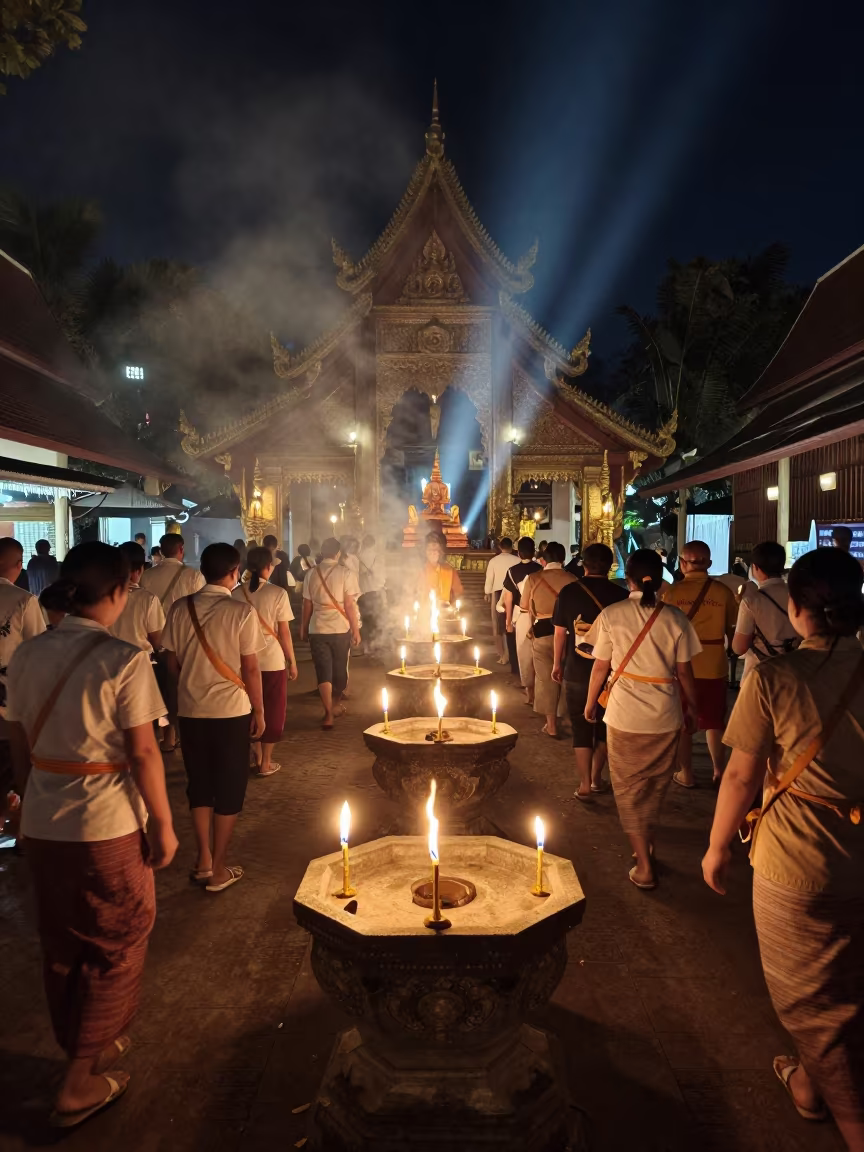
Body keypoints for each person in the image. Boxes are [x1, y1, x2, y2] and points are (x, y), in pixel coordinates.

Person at [6, 541, 176, 1126]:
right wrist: (164, 824)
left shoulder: (28, 655)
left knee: (62, 940)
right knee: (117, 939)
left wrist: (26, 805)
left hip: (43, 821)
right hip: (104, 823)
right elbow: (144, 753)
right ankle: (78, 1082)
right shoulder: (123, 659)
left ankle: (87, 1045)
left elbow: (19, 744)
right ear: (120, 591)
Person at [703, 547, 864, 1147]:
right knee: (848, 983)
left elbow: (741, 777)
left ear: (796, 610)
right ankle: (808, 1081)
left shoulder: (776, 678)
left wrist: (717, 846)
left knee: (811, 1003)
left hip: (800, 857)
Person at [584, 549, 700, 889]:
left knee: (627, 788)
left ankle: (645, 865)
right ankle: (645, 845)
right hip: (665, 715)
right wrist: (693, 708)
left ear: (628, 579)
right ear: (661, 580)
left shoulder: (612, 614)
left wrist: (590, 704)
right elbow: (685, 673)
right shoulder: (676, 618)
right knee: (654, 786)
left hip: (624, 715)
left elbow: (600, 666)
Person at [161, 542, 265, 893]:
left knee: (200, 784)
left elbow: (171, 662)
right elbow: (251, 669)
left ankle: (203, 858)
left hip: (191, 712)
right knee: (230, 787)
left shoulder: (179, 608)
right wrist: (259, 711)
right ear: (235, 572)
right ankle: (219, 869)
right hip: (231, 712)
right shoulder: (241, 612)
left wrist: (191, 685)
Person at [552, 543, 628, 799]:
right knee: (605, 726)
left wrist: (557, 663)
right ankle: (597, 778)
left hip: (577, 669)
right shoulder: (621, 595)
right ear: (610, 565)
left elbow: (560, 633)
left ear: (583, 564)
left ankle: (584, 784)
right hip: (611, 674)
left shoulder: (569, 592)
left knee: (580, 727)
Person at [661, 540, 737, 787]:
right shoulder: (723, 593)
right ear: (710, 563)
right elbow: (732, 631)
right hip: (714, 663)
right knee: (714, 721)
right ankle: (718, 770)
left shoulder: (672, 593)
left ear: (683, 564)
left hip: (683, 665)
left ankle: (687, 773)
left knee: (684, 721)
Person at [232, 546, 297, 776]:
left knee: (249, 708)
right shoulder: (277, 593)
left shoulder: (235, 594)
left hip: (242, 661)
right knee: (273, 710)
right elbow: (284, 632)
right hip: (272, 661)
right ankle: (266, 762)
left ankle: (257, 755)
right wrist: (292, 661)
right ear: (268, 567)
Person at [140, 534, 205, 753]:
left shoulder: (147, 575)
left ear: (161, 550)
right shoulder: (193, 576)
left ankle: (163, 735)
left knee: (160, 690)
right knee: (182, 689)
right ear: (181, 549)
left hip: (154, 642)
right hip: (184, 642)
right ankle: (176, 734)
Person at [0, 538, 46, 837]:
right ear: (19, 565)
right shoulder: (24, 600)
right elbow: (38, 651)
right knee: (17, 762)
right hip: (12, 696)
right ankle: (20, 830)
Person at [301, 537, 361, 730]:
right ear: (338, 553)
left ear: (322, 552)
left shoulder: (311, 573)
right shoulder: (346, 573)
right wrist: (356, 629)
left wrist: (303, 627)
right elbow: (349, 605)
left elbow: (307, 604)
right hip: (340, 629)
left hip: (317, 628)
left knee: (323, 670)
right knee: (339, 670)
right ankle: (334, 705)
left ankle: (328, 713)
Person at [521, 542, 576, 738]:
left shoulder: (533, 578)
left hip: (543, 631)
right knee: (565, 676)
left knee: (545, 678)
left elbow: (525, 606)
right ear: (563, 559)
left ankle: (551, 725)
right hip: (568, 634)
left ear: (544, 559)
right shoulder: (573, 579)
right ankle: (566, 718)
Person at [731, 540, 798, 681]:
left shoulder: (751, 601)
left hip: (759, 675)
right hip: (793, 673)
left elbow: (739, 647)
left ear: (755, 568)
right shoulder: (798, 595)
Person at [110, 542, 165, 654]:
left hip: (107, 658)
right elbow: (158, 641)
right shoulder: (148, 599)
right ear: (139, 570)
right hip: (140, 659)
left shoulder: (102, 596)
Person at [501, 537, 542, 687]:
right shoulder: (540, 570)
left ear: (518, 552)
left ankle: (525, 683)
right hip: (540, 614)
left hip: (521, 614)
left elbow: (508, 598)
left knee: (522, 651)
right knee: (537, 651)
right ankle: (537, 682)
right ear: (534, 551)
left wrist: (508, 622)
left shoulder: (513, 571)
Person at [484, 537, 519, 665]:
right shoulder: (517, 560)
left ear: (500, 547)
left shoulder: (494, 561)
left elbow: (489, 579)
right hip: (515, 593)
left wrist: (487, 593)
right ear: (512, 546)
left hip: (499, 593)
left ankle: (504, 654)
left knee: (499, 625)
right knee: (512, 623)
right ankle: (513, 654)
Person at [357, 533, 385, 656]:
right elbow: (383, 577)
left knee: (365, 621)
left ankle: (366, 647)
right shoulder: (378, 557)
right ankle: (375, 646)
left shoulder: (358, 557)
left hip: (363, 594)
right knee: (375, 621)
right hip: (375, 593)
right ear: (374, 544)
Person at [416, 532, 463, 605]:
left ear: (441, 551)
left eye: (436, 548)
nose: (433, 552)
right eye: (429, 549)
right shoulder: (420, 570)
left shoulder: (450, 570)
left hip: (445, 609)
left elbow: (458, 593)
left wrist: (453, 605)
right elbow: (415, 594)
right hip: (425, 610)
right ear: (425, 551)